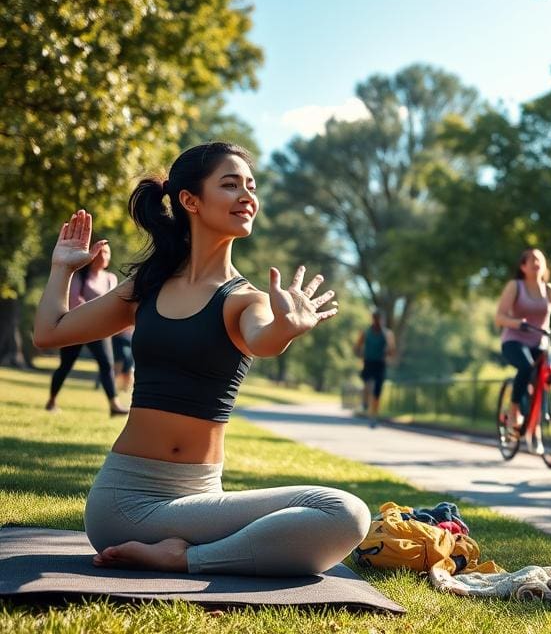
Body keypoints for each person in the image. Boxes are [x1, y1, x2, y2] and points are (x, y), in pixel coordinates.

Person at [33, 142, 370, 576]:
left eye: (251, 186)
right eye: (230, 185)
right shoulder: (147, 287)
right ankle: (193, 555)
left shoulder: (244, 299)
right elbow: (50, 333)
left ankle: (185, 556)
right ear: (190, 200)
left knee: (346, 514)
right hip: (123, 501)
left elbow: (263, 340)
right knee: (343, 515)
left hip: (199, 499)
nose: (247, 196)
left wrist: (287, 327)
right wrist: (63, 268)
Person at [494, 248, 551, 452]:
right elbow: (499, 317)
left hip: (540, 343)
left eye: (540, 260)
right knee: (526, 367)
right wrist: (517, 323)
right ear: (523, 266)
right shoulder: (515, 286)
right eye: (532, 260)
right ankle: (514, 413)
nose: (537, 263)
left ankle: (536, 428)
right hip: (514, 340)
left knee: (542, 381)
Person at [45, 240, 128, 416]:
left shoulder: (110, 279)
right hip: (76, 328)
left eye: (107, 253)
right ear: (93, 255)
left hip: (99, 331)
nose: (104, 257)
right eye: (101, 253)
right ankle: (51, 400)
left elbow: (113, 304)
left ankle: (114, 405)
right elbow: (75, 301)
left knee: (106, 365)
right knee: (65, 366)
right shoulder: (79, 277)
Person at [354, 309, 396, 427]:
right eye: (375, 318)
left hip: (380, 364)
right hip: (368, 362)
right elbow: (357, 347)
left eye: (379, 319)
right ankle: (365, 403)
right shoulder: (366, 333)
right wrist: (360, 354)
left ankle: (373, 416)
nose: (377, 321)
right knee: (367, 384)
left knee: (377, 392)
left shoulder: (387, 334)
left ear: (382, 320)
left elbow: (392, 350)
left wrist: (388, 352)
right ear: (372, 319)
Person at [112, 325, 135, 393]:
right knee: (119, 364)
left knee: (129, 366)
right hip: (119, 338)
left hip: (130, 339)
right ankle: (113, 387)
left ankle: (125, 388)